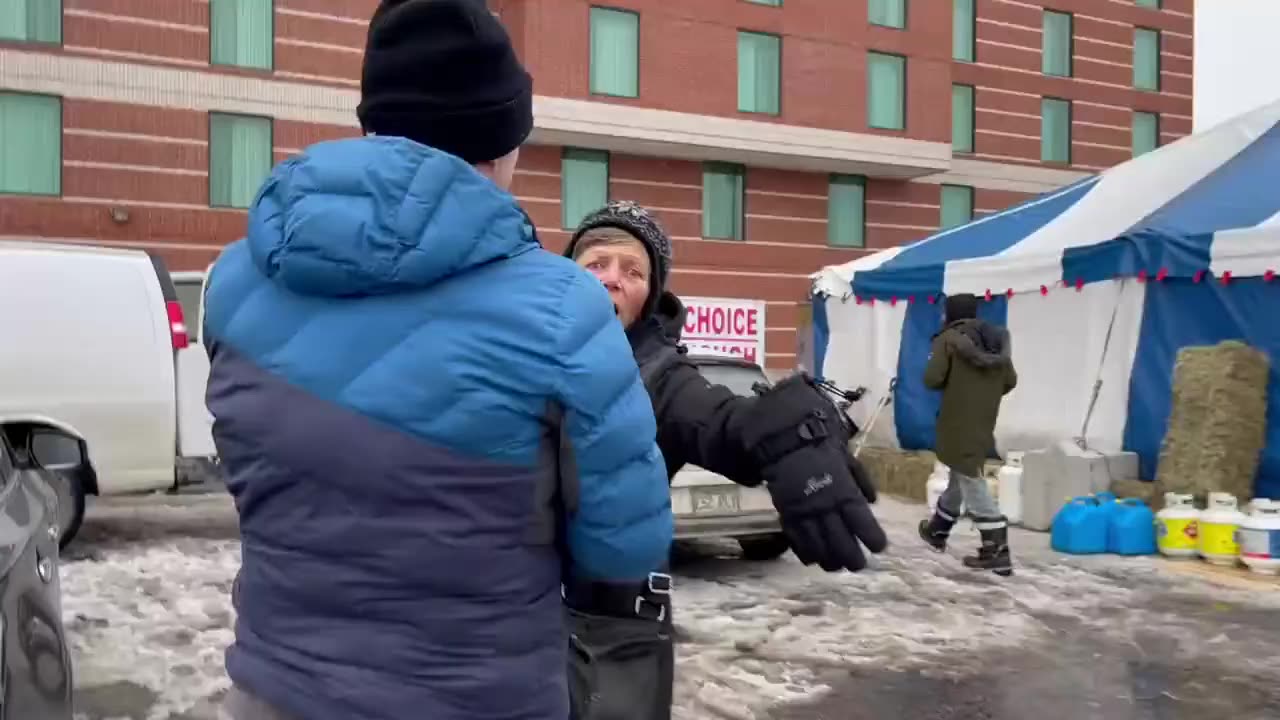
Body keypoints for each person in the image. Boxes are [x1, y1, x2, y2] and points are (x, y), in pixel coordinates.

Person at [203, 2, 673, 719]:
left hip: (273, 690)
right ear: (501, 143)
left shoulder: (238, 281)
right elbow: (620, 555)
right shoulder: (562, 309)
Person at [566, 201, 888, 570]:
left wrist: (785, 432)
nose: (612, 278)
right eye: (596, 264)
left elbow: (721, 422)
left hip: (612, 612)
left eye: (633, 271)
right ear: (567, 278)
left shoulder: (661, 380)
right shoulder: (516, 349)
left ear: (649, 299)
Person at [916, 293, 1018, 576]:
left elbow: (932, 378)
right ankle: (938, 529)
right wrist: (984, 391)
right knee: (961, 470)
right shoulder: (996, 342)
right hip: (985, 416)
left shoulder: (948, 339)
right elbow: (1010, 380)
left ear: (951, 313)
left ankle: (996, 549)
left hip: (957, 416)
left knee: (971, 477)